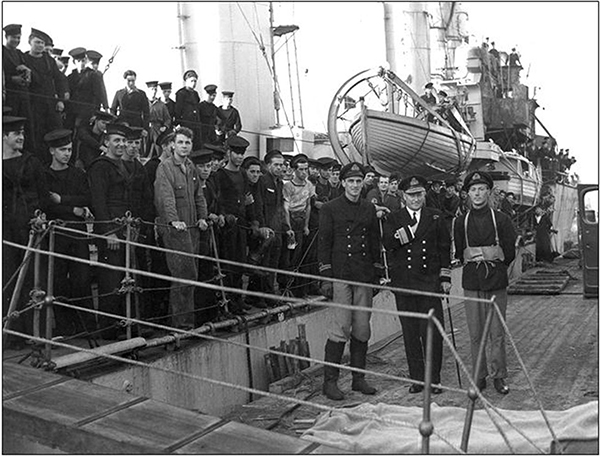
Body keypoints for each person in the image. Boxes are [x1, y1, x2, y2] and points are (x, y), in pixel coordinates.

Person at [382, 175, 451, 394]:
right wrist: (409, 232)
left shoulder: (436, 217)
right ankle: (417, 379)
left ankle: (434, 379)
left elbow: (443, 248)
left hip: (430, 283)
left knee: (431, 332)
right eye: (411, 195)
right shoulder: (394, 218)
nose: (416, 199)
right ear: (403, 196)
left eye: (419, 194)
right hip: (405, 283)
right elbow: (388, 242)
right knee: (411, 333)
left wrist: (445, 277)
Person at [318, 162, 380, 401]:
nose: (355, 185)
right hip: (341, 273)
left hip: (363, 273)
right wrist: (325, 275)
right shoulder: (330, 208)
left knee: (362, 327)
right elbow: (324, 242)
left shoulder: (368, 208)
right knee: (340, 327)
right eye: (350, 181)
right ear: (343, 183)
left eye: (358, 181)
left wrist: (376, 272)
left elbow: (374, 241)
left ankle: (358, 379)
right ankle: (329, 382)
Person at [453, 171, 516, 395]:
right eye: (473, 190)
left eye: (481, 189)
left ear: (488, 192)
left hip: (496, 281)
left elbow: (509, 252)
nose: (477, 193)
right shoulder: (460, 222)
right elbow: (461, 253)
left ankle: (499, 376)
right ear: (468, 193)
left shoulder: (502, 219)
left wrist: (492, 261)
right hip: (472, 281)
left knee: (497, 333)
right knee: (476, 333)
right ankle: (479, 377)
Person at [154, 127, 208, 330]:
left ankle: (184, 323)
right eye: (181, 142)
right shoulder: (165, 168)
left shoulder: (191, 167)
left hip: (192, 227)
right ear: (173, 145)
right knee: (184, 275)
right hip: (176, 229)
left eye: (188, 143)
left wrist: (203, 217)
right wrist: (173, 221)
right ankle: (181, 325)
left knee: (190, 276)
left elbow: (198, 196)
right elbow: (165, 197)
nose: (184, 146)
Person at [3, 115, 49, 341]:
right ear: (4, 137)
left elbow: (43, 196)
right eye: (16, 134)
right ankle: (11, 334)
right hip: (5, 231)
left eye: (22, 133)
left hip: (29, 228)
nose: (22, 137)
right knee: (7, 277)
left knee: (32, 279)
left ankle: (34, 332)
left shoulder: (32, 162)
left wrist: (40, 215)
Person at [43, 128, 94, 336]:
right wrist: (73, 209)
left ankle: (85, 328)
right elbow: (46, 203)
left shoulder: (78, 174)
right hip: (56, 235)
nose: (67, 153)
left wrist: (63, 200)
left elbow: (86, 199)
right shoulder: (45, 175)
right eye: (63, 150)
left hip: (77, 234)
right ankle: (64, 328)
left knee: (81, 279)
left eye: (70, 149)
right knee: (59, 281)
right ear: (52, 151)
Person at [87, 122, 134, 340]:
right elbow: (98, 201)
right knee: (110, 280)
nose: (122, 144)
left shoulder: (121, 165)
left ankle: (124, 324)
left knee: (126, 277)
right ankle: (107, 330)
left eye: (124, 141)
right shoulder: (100, 166)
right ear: (106, 143)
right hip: (111, 229)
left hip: (124, 227)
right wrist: (108, 232)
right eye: (117, 140)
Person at [211, 135, 254, 313]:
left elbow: (247, 198)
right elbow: (218, 200)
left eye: (242, 154)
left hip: (241, 224)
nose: (239, 157)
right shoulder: (220, 175)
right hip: (228, 226)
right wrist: (225, 215)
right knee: (228, 263)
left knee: (240, 263)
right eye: (236, 153)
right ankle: (228, 301)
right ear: (229, 153)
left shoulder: (243, 174)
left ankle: (237, 298)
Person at [23, 28, 66, 163]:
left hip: (51, 105)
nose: (40, 45)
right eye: (37, 42)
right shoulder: (24, 58)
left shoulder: (49, 60)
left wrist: (60, 100)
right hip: (32, 105)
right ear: (30, 42)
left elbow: (60, 80)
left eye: (42, 43)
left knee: (55, 134)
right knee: (36, 135)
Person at [254, 149, 290, 303]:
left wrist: (286, 227)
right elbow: (259, 205)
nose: (280, 168)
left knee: (273, 263)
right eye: (276, 165)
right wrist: (262, 226)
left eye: (281, 165)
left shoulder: (279, 183)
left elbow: (280, 207)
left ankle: (269, 293)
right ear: (268, 165)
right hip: (267, 229)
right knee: (264, 263)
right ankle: (260, 296)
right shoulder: (263, 182)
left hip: (277, 230)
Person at [283, 154, 316, 297]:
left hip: (302, 219)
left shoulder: (309, 185)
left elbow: (308, 206)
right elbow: (285, 208)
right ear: (294, 170)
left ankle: (301, 289)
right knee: (292, 256)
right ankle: (288, 288)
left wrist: (306, 225)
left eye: (306, 169)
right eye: (301, 169)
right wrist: (289, 227)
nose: (304, 173)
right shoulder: (288, 186)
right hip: (291, 219)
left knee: (304, 255)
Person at [3, 24, 33, 141]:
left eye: (19, 37)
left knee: (26, 126)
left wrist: (27, 74)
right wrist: (11, 79)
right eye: (14, 37)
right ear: (6, 37)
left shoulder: (20, 53)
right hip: (9, 97)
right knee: (11, 127)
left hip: (23, 96)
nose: (16, 40)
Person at [66, 47, 106, 130]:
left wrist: (94, 113)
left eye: (83, 60)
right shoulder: (70, 77)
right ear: (74, 62)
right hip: (72, 112)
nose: (81, 63)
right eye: (79, 61)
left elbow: (97, 95)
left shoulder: (93, 75)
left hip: (87, 113)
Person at [174, 70, 202, 150]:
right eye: (191, 81)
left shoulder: (195, 94)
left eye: (195, 81)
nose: (193, 83)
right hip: (186, 123)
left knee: (197, 145)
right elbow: (178, 110)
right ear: (186, 81)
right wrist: (177, 122)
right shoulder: (181, 93)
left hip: (196, 123)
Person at [146, 80, 171, 157]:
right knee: (145, 149)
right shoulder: (144, 103)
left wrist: (165, 126)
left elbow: (168, 118)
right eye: (152, 89)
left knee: (159, 150)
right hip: (147, 129)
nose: (153, 92)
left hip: (158, 129)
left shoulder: (161, 105)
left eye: (155, 89)